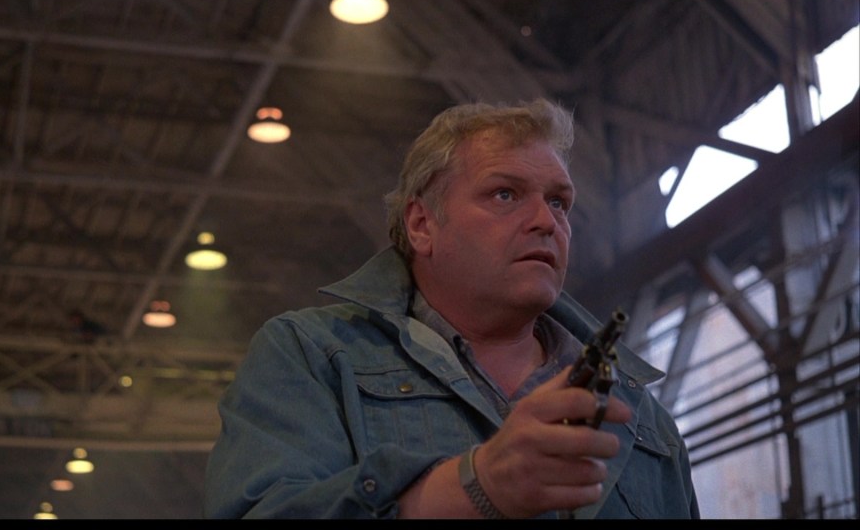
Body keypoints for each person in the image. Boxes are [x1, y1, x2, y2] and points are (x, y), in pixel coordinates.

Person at [203, 98, 699, 519]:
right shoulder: (312, 357)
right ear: (421, 224)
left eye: (559, 202)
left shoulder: (643, 419)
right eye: (505, 194)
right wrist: (475, 487)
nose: (545, 221)